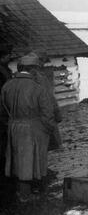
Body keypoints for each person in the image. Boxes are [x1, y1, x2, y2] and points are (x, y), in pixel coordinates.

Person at [0, 52, 56, 202]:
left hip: (14, 126)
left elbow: (2, 112)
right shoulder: (37, 88)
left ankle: (22, 191)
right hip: (33, 127)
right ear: (32, 69)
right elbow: (47, 114)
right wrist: (48, 129)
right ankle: (27, 194)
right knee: (32, 160)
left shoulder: (7, 86)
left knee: (19, 160)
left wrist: (11, 125)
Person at [0, 44, 12, 178]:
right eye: (8, 56)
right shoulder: (1, 72)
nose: (10, 57)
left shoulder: (5, 69)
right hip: (2, 108)